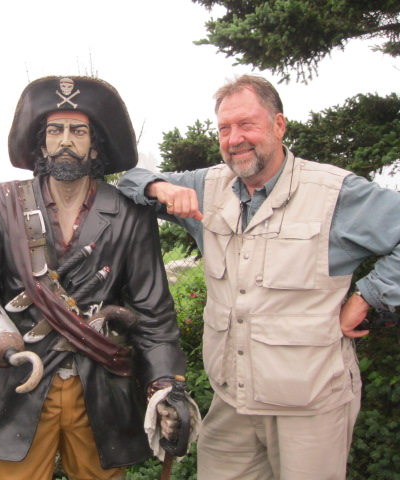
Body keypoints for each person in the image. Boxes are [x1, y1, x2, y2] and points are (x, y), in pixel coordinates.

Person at [117, 74, 400, 479]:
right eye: (225, 129)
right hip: (232, 404)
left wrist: (369, 296)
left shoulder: (334, 193)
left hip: (310, 406)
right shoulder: (207, 187)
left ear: (279, 125)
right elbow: (128, 180)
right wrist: (159, 187)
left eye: (246, 124)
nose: (235, 139)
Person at [0, 76, 190, 480]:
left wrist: (165, 384)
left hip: (101, 390)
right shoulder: (0, 205)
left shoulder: (130, 214)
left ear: (95, 144)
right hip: (19, 383)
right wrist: (1, 342)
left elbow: (154, 313)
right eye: (55, 130)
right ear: (41, 142)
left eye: (78, 131)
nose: (65, 141)